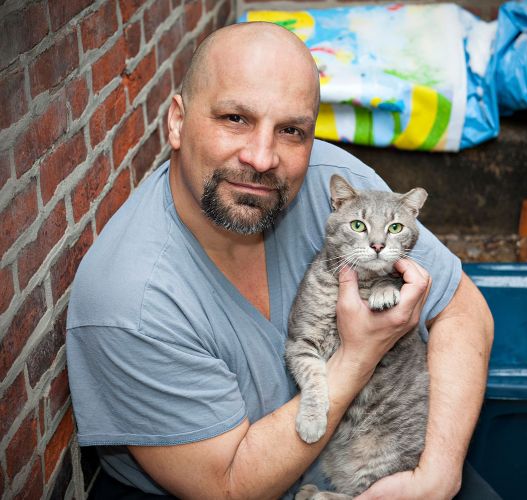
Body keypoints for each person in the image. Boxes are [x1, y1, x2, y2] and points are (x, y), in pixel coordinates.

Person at [66, 22, 497, 499]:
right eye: (235, 118)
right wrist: (359, 353)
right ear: (176, 122)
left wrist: (436, 476)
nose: (262, 156)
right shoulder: (131, 301)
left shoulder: (334, 182)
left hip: (386, 450)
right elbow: (227, 487)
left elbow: (462, 307)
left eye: (291, 130)